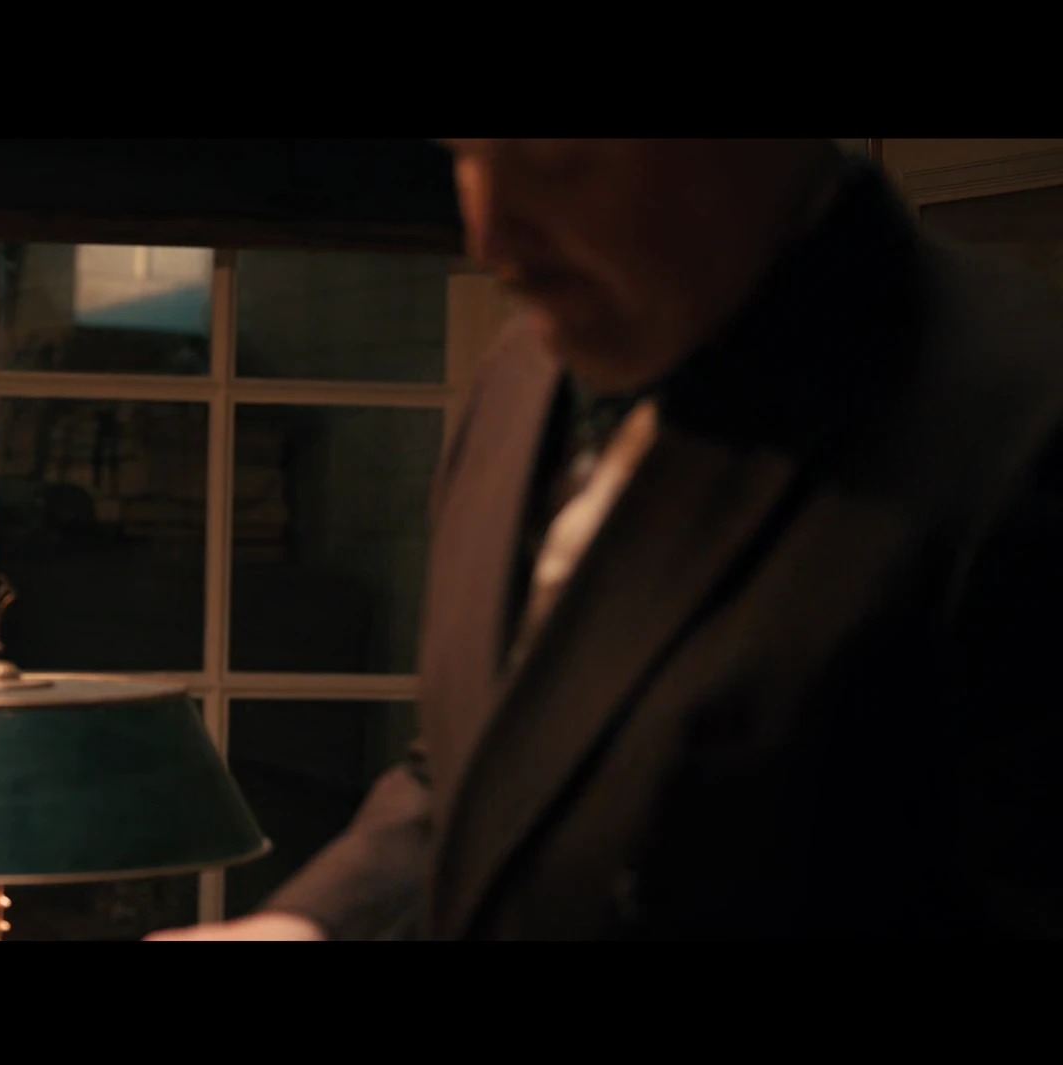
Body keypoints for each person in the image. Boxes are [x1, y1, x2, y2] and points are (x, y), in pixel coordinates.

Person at [150, 139, 1063, 940]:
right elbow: (491, 768)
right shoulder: (522, 369)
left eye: (554, 155)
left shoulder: (1022, 441)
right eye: (464, 150)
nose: (487, 233)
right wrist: (308, 922)